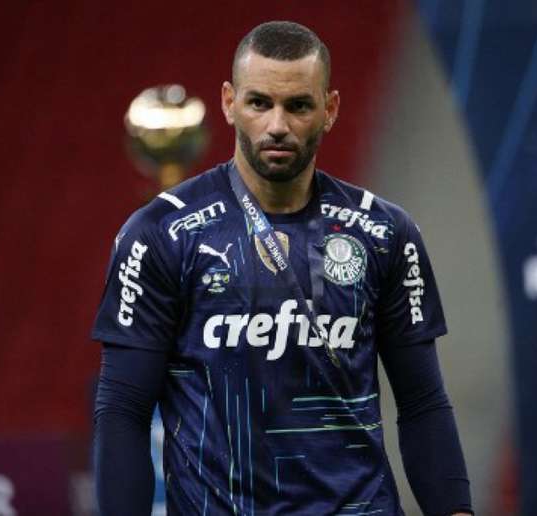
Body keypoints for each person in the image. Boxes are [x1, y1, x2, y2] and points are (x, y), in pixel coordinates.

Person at [92, 21, 473, 516]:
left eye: (298, 105)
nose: (277, 125)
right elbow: (123, 409)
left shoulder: (384, 233)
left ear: (329, 109)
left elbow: (422, 403)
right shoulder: (160, 234)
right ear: (229, 102)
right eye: (259, 103)